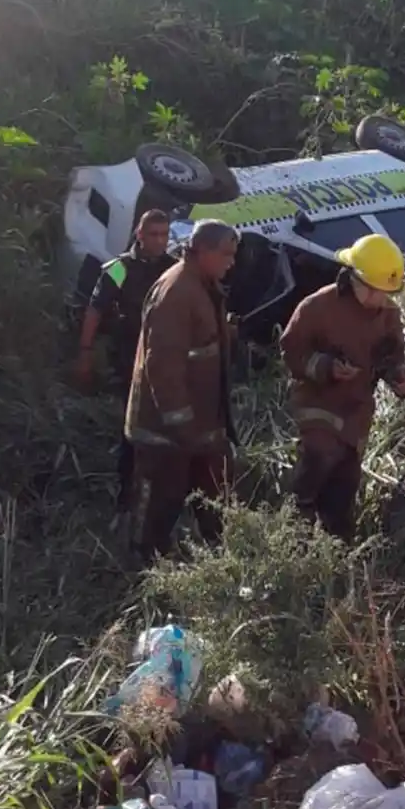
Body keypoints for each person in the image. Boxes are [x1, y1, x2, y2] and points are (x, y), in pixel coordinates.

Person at [280, 234, 405, 542]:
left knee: (343, 486)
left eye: (387, 293)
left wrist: (402, 380)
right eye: (376, 292)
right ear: (356, 279)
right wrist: (326, 367)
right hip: (317, 402)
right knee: (317, 458)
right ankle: (291, 540)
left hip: (357, 413)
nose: (381, 300)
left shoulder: (388, 315)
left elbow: (395, 357)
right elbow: (291, 352)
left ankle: (337, 551)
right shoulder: (317, 307)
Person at [125, 218, 238, 563]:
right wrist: (182, 425)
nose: (231, 263)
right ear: (202, 251)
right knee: (161, 498)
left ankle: (215, 559)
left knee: (212, 494)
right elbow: (163, 366)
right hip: (167, 429)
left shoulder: (201, 284)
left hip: (199, 425)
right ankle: (145, 565)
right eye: (227, 255)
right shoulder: (177, 292)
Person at [77, 210, 176, 520]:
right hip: (129, 355)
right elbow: (95, 310)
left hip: (165, 355)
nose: (159, 241)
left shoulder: (172, 268)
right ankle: (126, 494)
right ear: (139, 235)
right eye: (153, 234)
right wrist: (85, 352)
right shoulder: (120, 269)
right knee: (131, 426)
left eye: (164, 234)